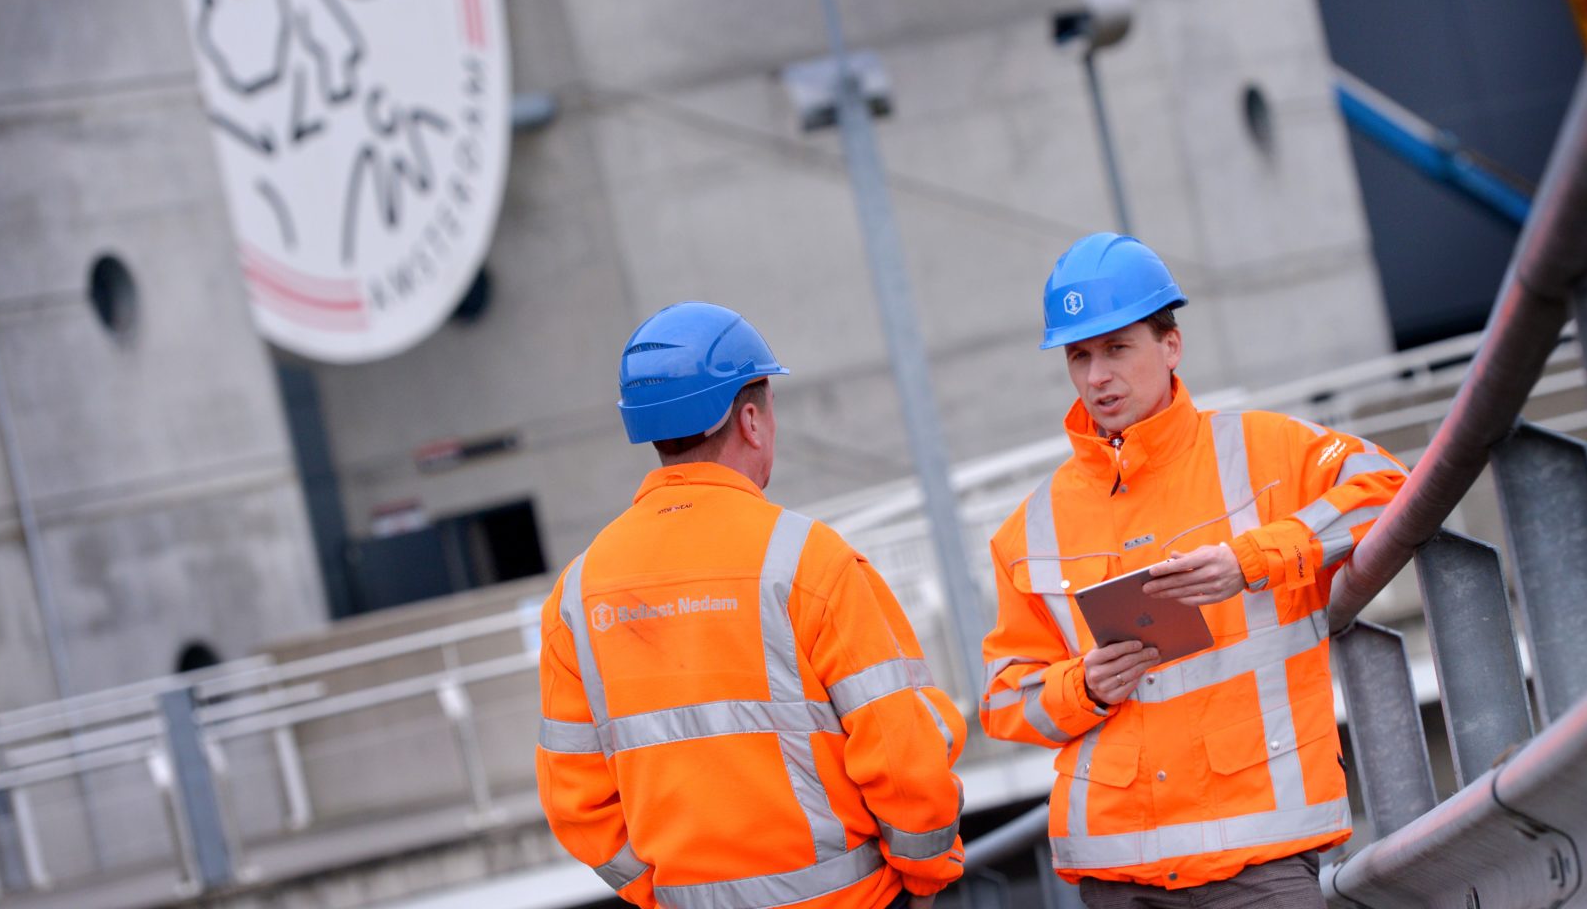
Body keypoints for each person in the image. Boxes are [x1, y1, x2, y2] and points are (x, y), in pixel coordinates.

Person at [979, 234, 1407, 909]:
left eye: (1117, 348)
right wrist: (1082, 686)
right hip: (1119, 876)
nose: (1097, 376)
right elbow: (1004, 702)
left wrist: (1253, 559)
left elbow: (1390, 486)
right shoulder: (1029, 529)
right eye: (1080, 356)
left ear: (1170, 346)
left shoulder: (1264, 450)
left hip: (1259, 860)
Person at [537, 302, 966, 909]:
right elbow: (904, 757)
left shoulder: (578, 593)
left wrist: (659, 893)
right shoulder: (808, 561)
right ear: (750, 419)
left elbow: (573, 800)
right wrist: (926, 878)